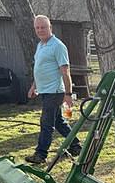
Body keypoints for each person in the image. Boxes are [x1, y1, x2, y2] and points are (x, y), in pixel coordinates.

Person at [25, 15, 81, 164]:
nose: (40, 30)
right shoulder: (41, 45)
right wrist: (34, 86)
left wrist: (68, 94)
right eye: (37, 28)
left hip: (55, 91)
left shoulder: (58, 46)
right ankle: (76, 145)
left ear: (50, 27)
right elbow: (40, 68)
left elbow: (65, 71)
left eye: (43, 27)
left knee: (46, 123)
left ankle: (41, 154)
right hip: (44, 91)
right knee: (59, 121)